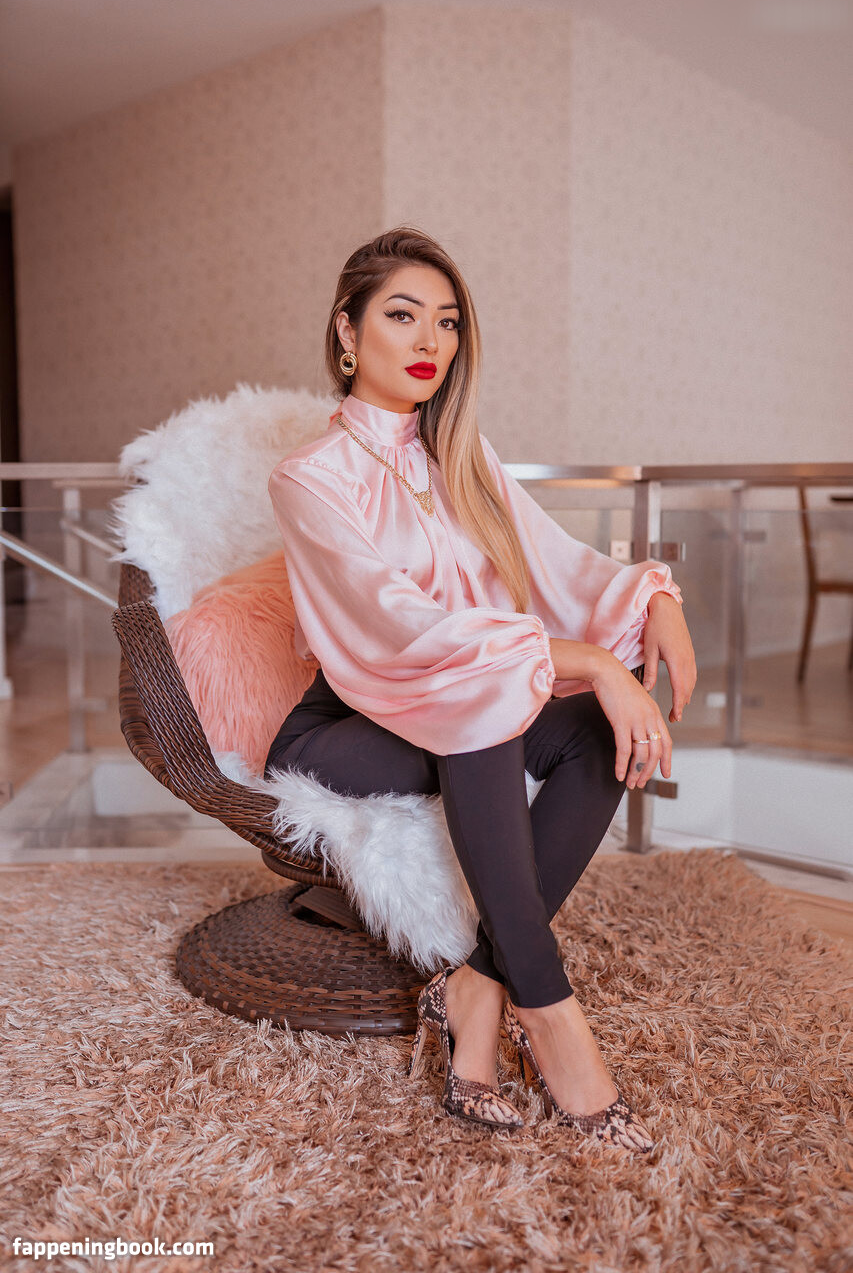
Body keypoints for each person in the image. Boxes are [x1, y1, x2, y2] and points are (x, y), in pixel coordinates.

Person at [265, 225, 697, 1152]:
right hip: (345, 725)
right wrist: (592, 664)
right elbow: (407, 631)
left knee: (586, 733)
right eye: (402, 315)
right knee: (484, 699)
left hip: (462, 703)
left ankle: (474, 986)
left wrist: (652, 598)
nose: (430, 341)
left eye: (448, 321)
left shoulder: (462, 457)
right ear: (346, 331)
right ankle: (549, 1010)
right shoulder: (309, 478)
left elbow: (559, 564)